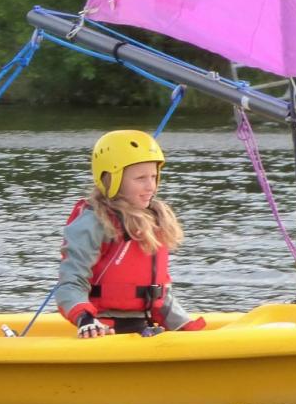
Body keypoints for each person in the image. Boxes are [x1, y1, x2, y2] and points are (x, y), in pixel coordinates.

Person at [56, 130, 206, 338]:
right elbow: (70, 284)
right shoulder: (93, 223)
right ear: (112, 180)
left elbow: (160, 294)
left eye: (154, 177)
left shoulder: (153, 220)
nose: (150, 186)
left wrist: (184, 327)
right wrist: (86, 319)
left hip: (143, 327)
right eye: (140, 178)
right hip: (103, 331)